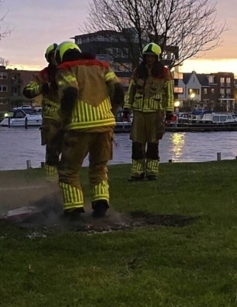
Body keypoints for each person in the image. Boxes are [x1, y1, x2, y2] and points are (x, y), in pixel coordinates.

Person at [55, 42, 125, 218]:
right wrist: (112, 110)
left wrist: (63, 118)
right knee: (99, 167)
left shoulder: (66, 68)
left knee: (69, 170)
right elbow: (118, 89)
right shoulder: (102, 66)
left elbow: (71, 91)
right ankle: (101, 205)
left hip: (79, 127)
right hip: (105, 125)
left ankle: (73, 209)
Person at [124, 43, 173, 181]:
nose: (149, 59)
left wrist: (169, 112)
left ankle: (152, 172)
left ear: (157, 57)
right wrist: (127, 109)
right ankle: (137, 172)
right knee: (137, 143)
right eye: (147, 56)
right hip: (139, 112)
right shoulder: (137, 72)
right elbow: (130, 92)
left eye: (152, 56)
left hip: (155, 113)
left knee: (153, 144)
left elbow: (169, 94)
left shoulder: (164, 73)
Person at [23, 43, 62, 182]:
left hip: (69, 117)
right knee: (52, 150)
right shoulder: (43, 75)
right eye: (53, 56)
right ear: (49, 58)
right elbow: (28, 90)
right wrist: (42, 88)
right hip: (51, 118)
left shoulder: (69, 71)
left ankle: (66, 180)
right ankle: (51, 180)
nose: (56, 59)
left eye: (57, 56)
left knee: (71, 151)